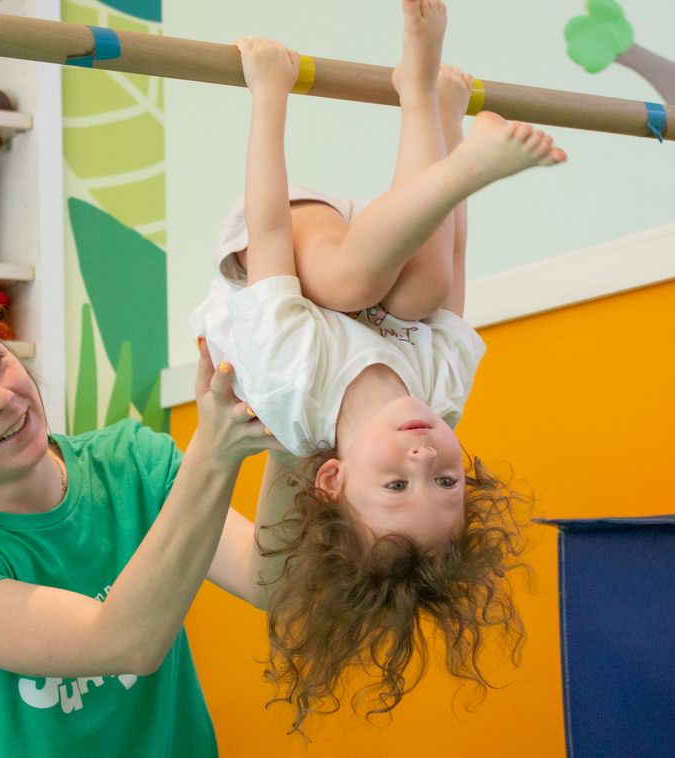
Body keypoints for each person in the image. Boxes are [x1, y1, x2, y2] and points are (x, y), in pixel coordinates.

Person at [189, 0, 567, 735]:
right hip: (379, 235)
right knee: (425, 295)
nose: (426, 455)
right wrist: (448, 120)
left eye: (398, 483)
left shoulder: (292, 385)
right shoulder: (440, 396)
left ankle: (457, 161)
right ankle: (418, 88)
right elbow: (450, 265)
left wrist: (269, 94)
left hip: (276, 234)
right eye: (447, 479)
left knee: (349, 286)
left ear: (332, 478)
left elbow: (267, 228)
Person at [0, 292, 288, 756]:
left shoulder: (133, 462)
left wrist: (296, 424)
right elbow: (123, 642)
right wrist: (214, 450)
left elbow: (266, 578)